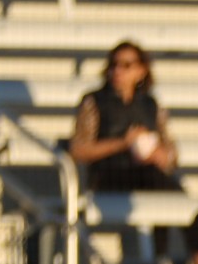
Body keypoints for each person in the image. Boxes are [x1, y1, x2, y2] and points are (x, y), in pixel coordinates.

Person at [69, 40, 179, 193]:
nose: (118, 71)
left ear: (141, 71)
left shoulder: (151, 104)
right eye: (114, 64)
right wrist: (123, 143)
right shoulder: (94, 102)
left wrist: (159, 155)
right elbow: (78, 150)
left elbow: (171, 152)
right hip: (108, 178)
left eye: (126, 65)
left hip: (147, 176)